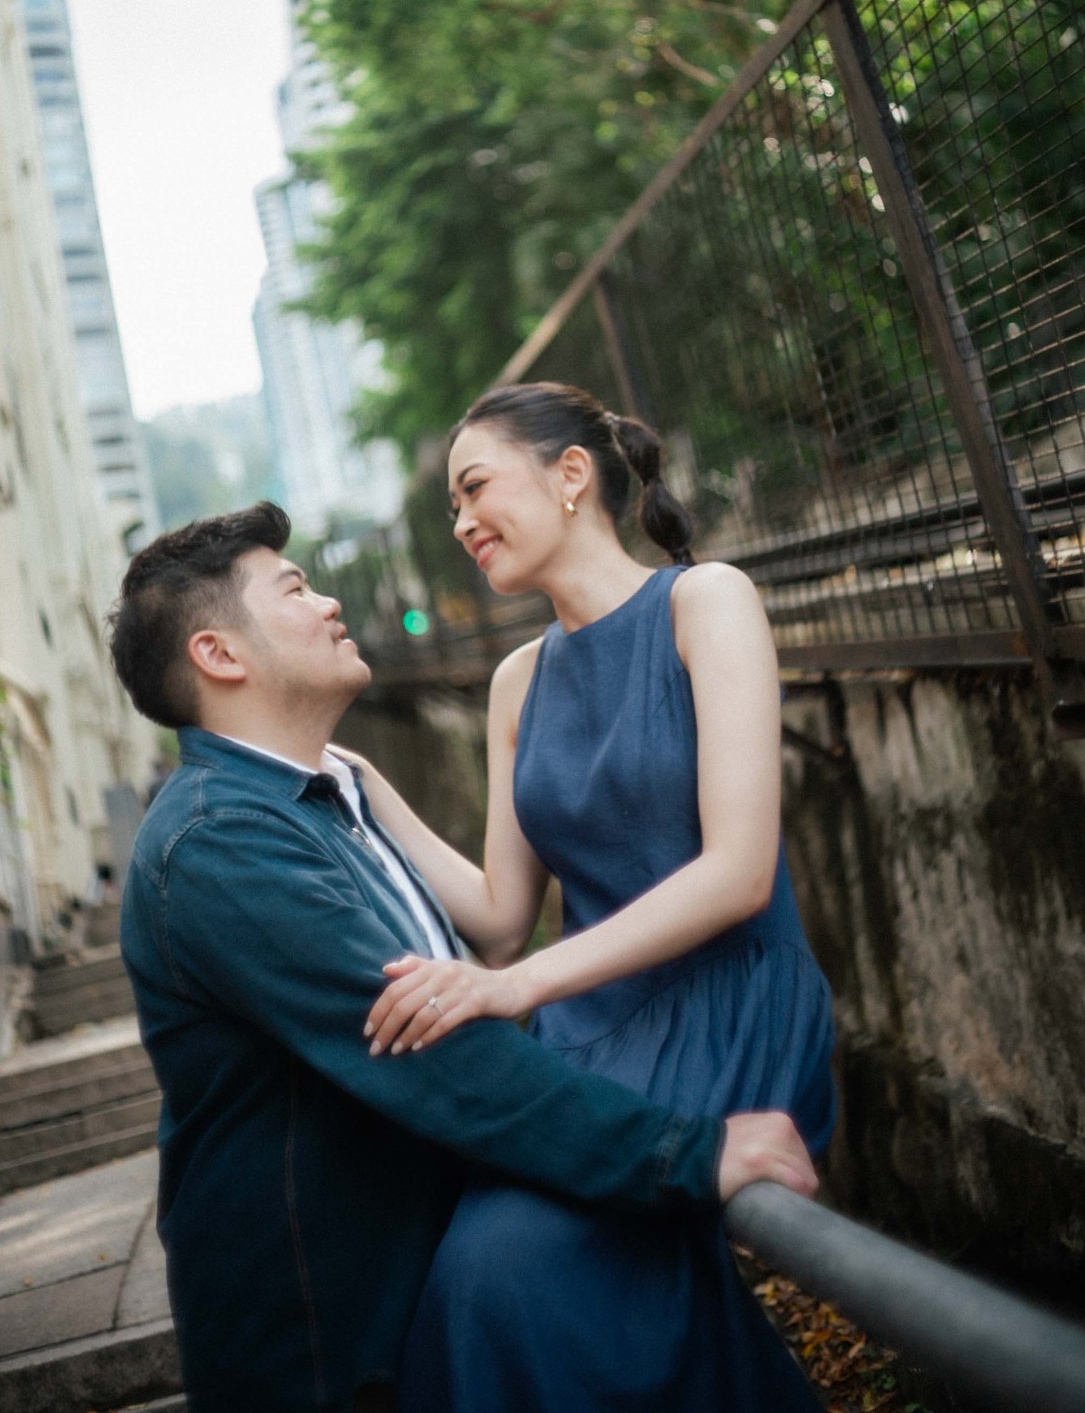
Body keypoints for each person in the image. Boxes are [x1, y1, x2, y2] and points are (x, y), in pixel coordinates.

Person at [109, 502, 819, 1413]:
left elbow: (478, 957)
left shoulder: (320, 801)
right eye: (294, 589)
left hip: (418, 1293)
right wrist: (686, 1152)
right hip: (329, 1348)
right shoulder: (220, 843)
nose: (330, 602)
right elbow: (438, 1051)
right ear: (219, 654)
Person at [352, 384, 835, 1412]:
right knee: (466, 1280)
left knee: (514, 1275)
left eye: (474, 488)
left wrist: (517, 987)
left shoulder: (706, 601)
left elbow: (738, 871)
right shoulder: (515, 681)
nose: (460, 522)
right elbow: (499, 915)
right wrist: (362, 784)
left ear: (570, 475)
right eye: (451, 504)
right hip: (584, 1039)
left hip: (722, 1010)